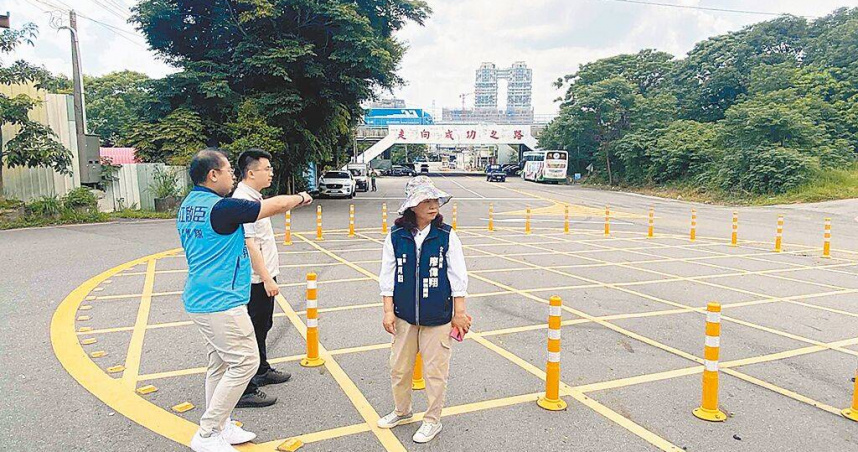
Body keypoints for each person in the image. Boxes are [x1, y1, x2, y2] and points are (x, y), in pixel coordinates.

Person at [177, 149, 312, 452]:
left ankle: (221, 425)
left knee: (220, 364)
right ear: (213, 175)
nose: (232, 176)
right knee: (246, 361)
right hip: (220, 300)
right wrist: (301, 197)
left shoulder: (190, 205)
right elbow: (271, 206)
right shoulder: (220, 208)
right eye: (227, 171)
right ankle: (208, 432)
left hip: (204, 296)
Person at [376, 176, 472, 444]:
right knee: (399, 368)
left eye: (435, 201)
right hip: (404, 315)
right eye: (425, 201)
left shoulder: (446, 235)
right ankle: (402, 410)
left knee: (435, 372)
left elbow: (457, 276)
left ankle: (432, 420)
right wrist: (388, 311)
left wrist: (459, 312)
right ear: (412, 206)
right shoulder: (396, 236)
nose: (433, 206)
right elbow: (388, 275)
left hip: (438, 316)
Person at [232, 149, 290, 408]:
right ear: (251, 172)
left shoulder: (254, 197)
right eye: (267, 168)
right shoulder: (243, 201)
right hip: (255, 280)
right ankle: (247, 387)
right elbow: (250, 244)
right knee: (253, 330)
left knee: (262, 325)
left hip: (263, 275)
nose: (271, 173)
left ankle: (261, 368)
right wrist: (267, 278)